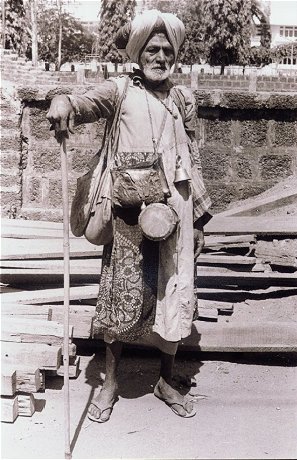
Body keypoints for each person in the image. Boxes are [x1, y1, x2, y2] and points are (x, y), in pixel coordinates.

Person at [47, 9, 212, 422]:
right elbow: (83, 104)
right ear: (138, 53)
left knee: (173, 295)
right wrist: (63, 99)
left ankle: (166, 380)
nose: (160, 56)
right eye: (152, 49)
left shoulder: (183, 100)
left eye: (166, 50)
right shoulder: (119, 90)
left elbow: (192, 160)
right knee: (119, 299)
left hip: (175, 213)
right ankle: (110, 382)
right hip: (126, 214)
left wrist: (199, 220)